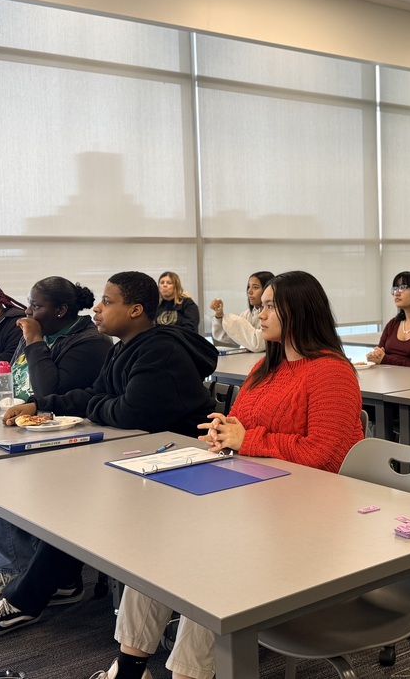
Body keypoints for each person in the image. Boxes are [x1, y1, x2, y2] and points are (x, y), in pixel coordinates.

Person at [92, 270, 365, 679]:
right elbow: (242, 426)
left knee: (213, 564)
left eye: (270, 306)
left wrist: (248, 439)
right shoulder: (264, 368)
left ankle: (189, 674)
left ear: (299, 310)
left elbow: (328, 456)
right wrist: (224, 432)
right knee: (158, 546)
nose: (260, 313)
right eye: (262, 304)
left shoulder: (331, 372)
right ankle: (131, 668)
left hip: (306, 519)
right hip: (254, 498)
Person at [0, 272, 220, 638]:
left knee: (81, 504)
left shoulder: (160, 349)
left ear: (135, 310)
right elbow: (95, 395)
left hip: (183, 463)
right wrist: (41, 404)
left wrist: (97, 405)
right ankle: (52, 584)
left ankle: (25, 599)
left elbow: (130, 413)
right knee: (73, 497)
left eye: (108, 301)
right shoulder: (123, 347)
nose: (97, 309)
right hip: (144, 453)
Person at [0, 277, 114, 596]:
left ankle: (23, 571)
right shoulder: (41, 334)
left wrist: (35, 340)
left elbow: (49, 393)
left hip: (73, 436)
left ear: (61, 310)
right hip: (27, 425)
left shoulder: (89, 342)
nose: (27, 311)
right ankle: (22, 565)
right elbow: (17, 377)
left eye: (36, 306)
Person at [209, 270, 273, 352]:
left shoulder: (274, 315)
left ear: (267, 290)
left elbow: (257, 344)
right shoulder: (247, 314)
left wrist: (231, 319)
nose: (249, 291)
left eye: (255, 287)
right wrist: (219, 316)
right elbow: (227, 336)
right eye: (249, 286)